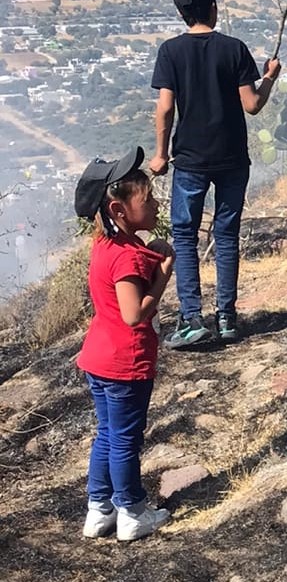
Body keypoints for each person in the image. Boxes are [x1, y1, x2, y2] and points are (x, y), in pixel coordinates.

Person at [149, 0, 280, 348]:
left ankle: (192, 319)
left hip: (190, 158)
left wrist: (160, 154)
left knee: (186, 237)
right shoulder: (234, 49)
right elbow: (252, 105)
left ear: (181, 14)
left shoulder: (170, 52)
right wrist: (269, 78)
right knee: (225, 236)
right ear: (213, 9)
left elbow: (165, 107)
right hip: (232, 158)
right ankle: (227, 318)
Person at [74, 146, 174, 541]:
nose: (155, 205)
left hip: (98, 358)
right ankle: (131, 511)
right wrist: (163, 274)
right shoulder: (128, 260)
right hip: (124, 364)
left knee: (107, 433)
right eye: (147, 201)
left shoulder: (106, 246)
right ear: (119, 211)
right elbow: (134, 314)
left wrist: (150, 256)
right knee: (126, 439)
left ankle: (98, 509)